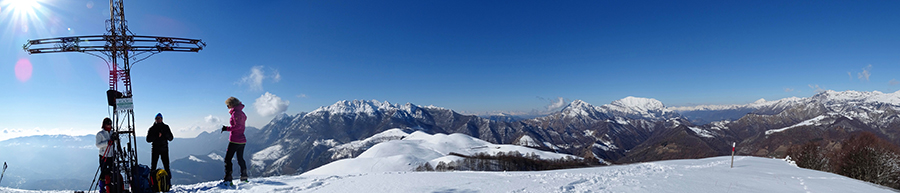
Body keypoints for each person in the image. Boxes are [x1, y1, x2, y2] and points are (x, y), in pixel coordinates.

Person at [222, 97, 248, 183]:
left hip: (235, 140)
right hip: (242, 140)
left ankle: (228, 178)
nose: (227, 107)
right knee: (240, 158)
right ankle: (244, 176)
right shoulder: (241, 113)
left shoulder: (235, 113)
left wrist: (227, 128)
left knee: (227, 159)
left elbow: (238, 126)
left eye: (228, 105)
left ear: (231, 104)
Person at [146, 113, 173, 180]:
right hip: (156, 149)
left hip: (164, 149)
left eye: (159, 118)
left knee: (166, 166)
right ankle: (153, 183)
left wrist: (165, 134)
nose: (158, 119)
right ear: (155, 119)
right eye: (157, 118)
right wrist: (156, 136)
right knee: (153, 167)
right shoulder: (152, 129)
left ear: (162, 119)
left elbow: (171, 138)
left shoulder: (166, 127)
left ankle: (167, 183)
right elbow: (148, 140)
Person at [95, 117, 117, 192]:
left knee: (112, 171)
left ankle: (110, 187)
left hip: (111, 155)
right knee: (103, 173)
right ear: (104, 125)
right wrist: (107, 143)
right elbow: (97, 145)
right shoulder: (100, 134)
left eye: (110, 124)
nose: (109, 125)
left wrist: (116, 139)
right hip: (103, 155)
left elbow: (116, 143)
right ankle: (102, 188)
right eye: (108, 124)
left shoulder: (112, 133)